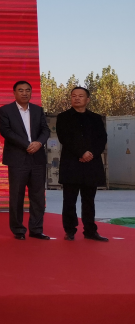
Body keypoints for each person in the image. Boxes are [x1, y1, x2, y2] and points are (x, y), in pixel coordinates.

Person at [0, 80, 51, 240]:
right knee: (17, 196)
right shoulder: (5, 110)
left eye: (27, 90)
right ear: (14, 93)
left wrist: (38, 143)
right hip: (17, 159)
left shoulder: (38, 110)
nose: (24, 93)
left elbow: (45, 130)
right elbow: (6, 132)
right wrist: (27, 144)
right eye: (20, 90)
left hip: (37, 159)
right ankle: (18, 230)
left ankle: (36, 229)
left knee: (38, 196)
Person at [56, 87, 109, 242]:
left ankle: (90, 231)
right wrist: (81, 153)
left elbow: (102, 139)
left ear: (88, 99)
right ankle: (70, 230)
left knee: (89, 201)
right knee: (69, 200)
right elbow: (64, 138)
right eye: (74, 96)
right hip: (72, 164)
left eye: (80, 96)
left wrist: (91, 153)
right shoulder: (63, 117)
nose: (77, 98)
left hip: (91, 164)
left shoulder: (96, 118)